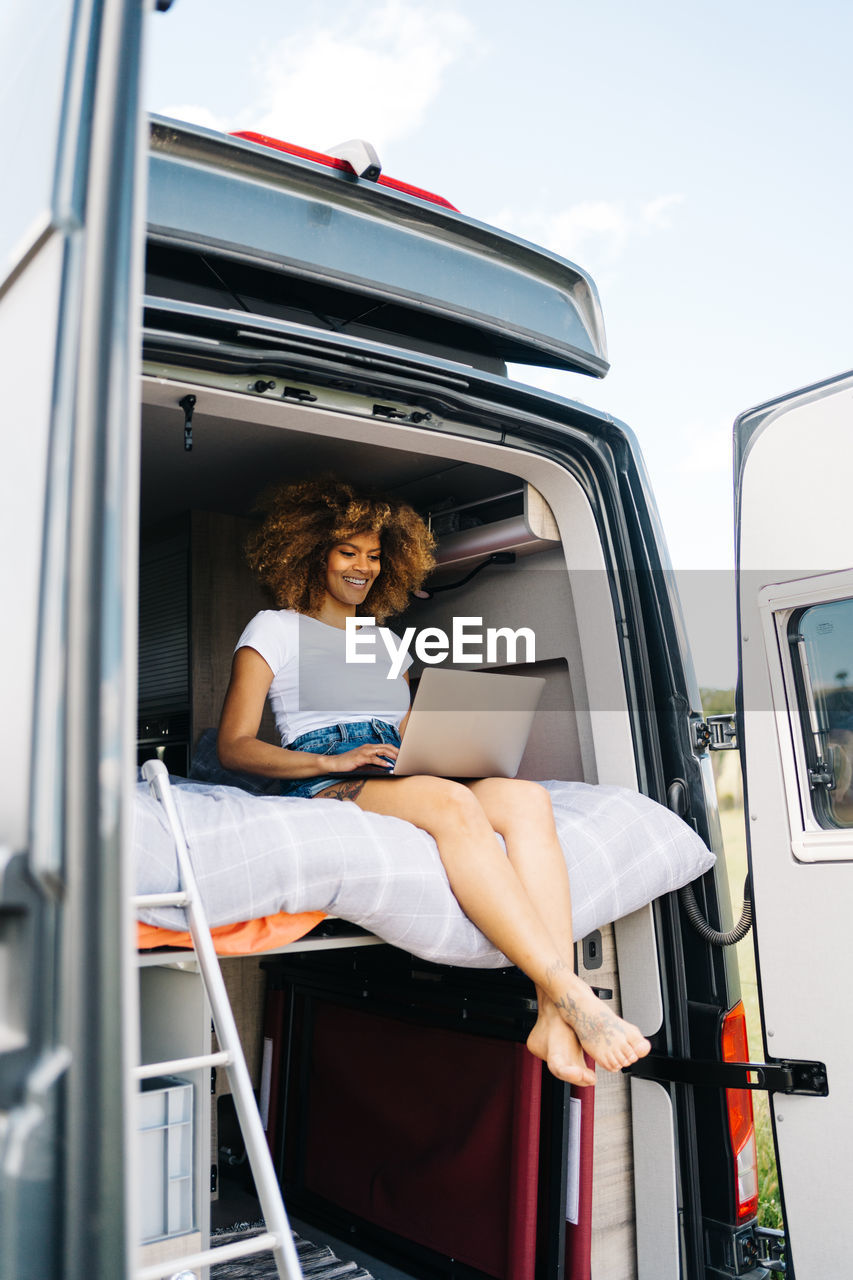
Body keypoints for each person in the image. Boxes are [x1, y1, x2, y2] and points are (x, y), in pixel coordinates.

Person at [218, 477, 651, 1086]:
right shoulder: (273, 628)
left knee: (526, 799)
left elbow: (407, 729)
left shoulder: (385, 641)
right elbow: (233, 746)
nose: (363, 568)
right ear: (313, 551)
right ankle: (568, 993)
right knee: (451, 805)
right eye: (349, 552)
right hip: (323, 769)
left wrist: (454, 739)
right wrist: (330, 764)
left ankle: (552, 1017)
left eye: (374, 555)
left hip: (394, 762)